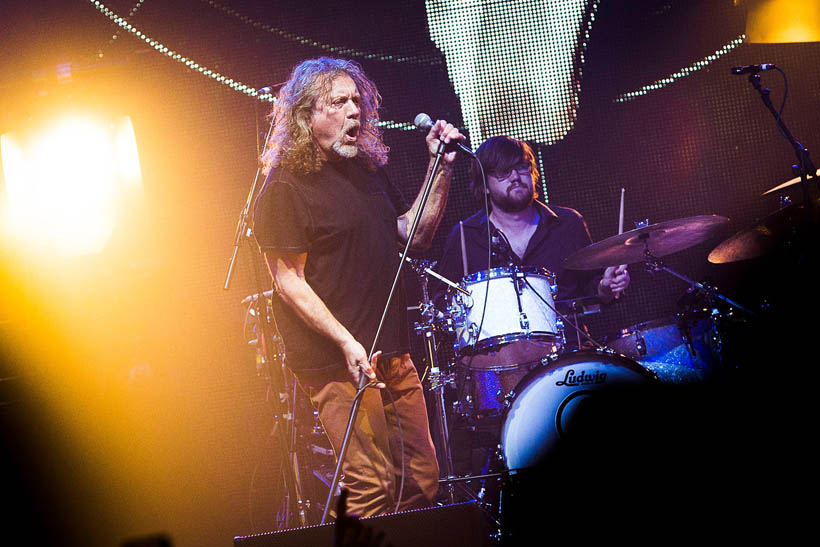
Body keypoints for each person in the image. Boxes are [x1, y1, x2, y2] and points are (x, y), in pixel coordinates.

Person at [252, 57, 464, 518]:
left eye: (356, 101)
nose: (355, 112)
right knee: (370, 487)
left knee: (421, 481)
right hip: (336, 361)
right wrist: (346, 341)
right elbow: (287, 278)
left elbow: (413, 235)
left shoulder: (365, 171)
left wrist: (439, 169)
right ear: (307, 114)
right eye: (339, 102)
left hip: (391, 350)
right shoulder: (284, 186)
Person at [436, 135, 630, 347]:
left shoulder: (568, 223)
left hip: (570, 353)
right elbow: (442, 301)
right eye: (502, 172)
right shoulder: (465, 236)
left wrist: (606, 288)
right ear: (484, 186)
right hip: (499, 364)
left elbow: (592, 291)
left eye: (521, 167)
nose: (515, 177)